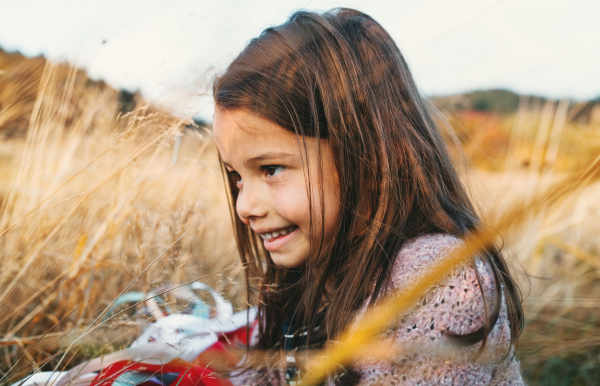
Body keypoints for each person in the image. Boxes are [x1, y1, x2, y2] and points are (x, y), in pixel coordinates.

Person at [211, 8, 525, 386]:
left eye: (271, 169)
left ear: (365, 157)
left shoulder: (439, 282)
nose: (244, 207)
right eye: (236, 177)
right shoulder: (312, 268)